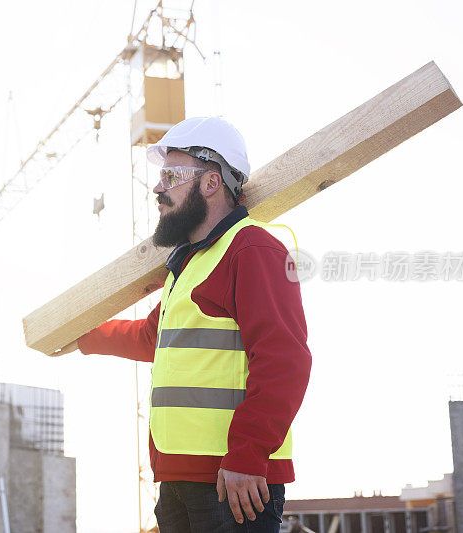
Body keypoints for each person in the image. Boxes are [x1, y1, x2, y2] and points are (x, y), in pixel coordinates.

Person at [55, 117, 312, 532]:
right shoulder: (189, 263)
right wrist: (80, 336)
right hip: (179, 478)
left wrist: (248, 455)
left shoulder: (253, 250)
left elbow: (285, 361)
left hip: (234, 480)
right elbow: (151, 338)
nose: (158, 188)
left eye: (171, 176)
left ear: (211, 183)